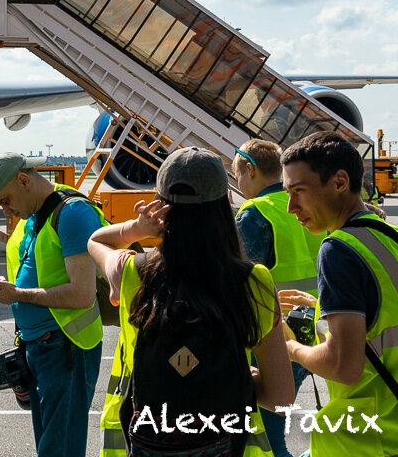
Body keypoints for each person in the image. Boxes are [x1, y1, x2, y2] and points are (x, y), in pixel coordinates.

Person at [90, 147, 292, 457]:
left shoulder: (132, 273)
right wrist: (239, 379)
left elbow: (97, 241)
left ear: (161, 206)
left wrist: (138, 229)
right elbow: (281, 398)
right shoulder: (255, 281)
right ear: (226, 204)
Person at [0, 153, 104, 456]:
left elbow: (82, 294)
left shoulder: (73, 213)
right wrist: (9, 290)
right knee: (51, 445)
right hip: (42, 350)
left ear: (24, 180)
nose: (8, 210)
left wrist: (17, 295)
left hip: (66, 350)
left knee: (58, 448)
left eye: (6, 201)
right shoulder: (35, 217)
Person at [282, 131, 398, 456]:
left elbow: (343, 366)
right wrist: (326, 306)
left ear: (339, 181)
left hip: (365, 441)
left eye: (299, 191)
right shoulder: (389, 236)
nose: (291, 207)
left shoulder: (338, 250)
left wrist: (291, 348)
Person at [233, 138, 322, 457]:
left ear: (250, 169)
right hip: (312, 330)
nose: (240, 185)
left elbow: (241, 284)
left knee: (268, 440)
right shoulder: (306, 206)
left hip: (272, 337)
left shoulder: (254, 213)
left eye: (239, 176)